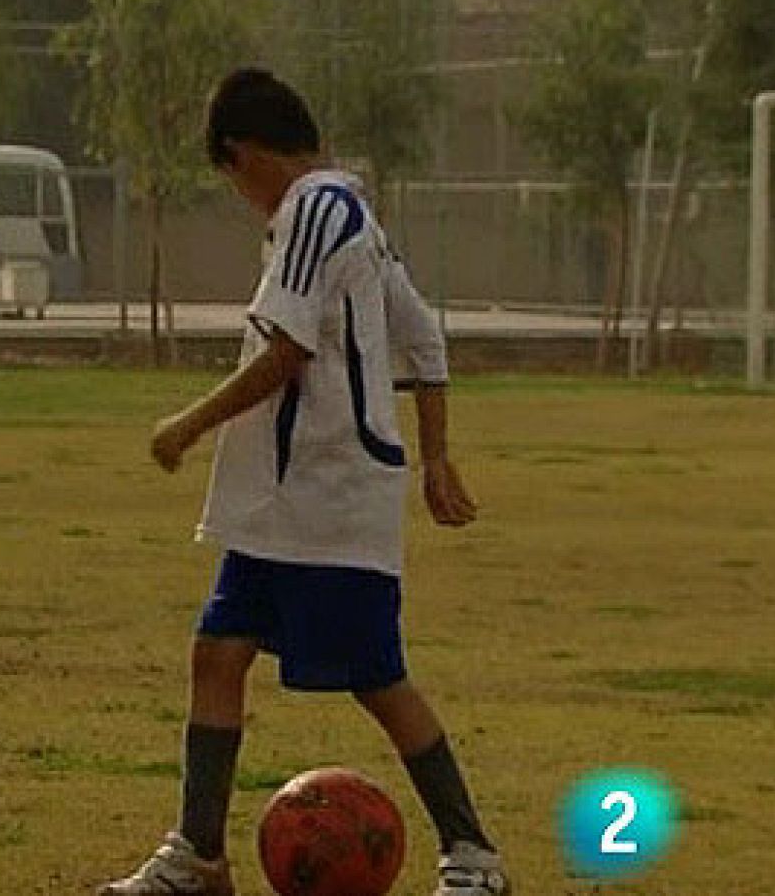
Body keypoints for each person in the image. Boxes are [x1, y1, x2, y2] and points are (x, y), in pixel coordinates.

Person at [97, 68, 508, 896]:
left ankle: (474, 856)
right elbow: (424, 340)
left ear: (243, 155)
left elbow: (288, 352)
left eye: (229, 176)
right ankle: (198, 857)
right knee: (217, 654)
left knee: (377, 676)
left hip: (328, 496)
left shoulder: (316, 209)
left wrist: (188, 423)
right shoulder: (352, 217)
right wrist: (435, 456)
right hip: (275, 505)